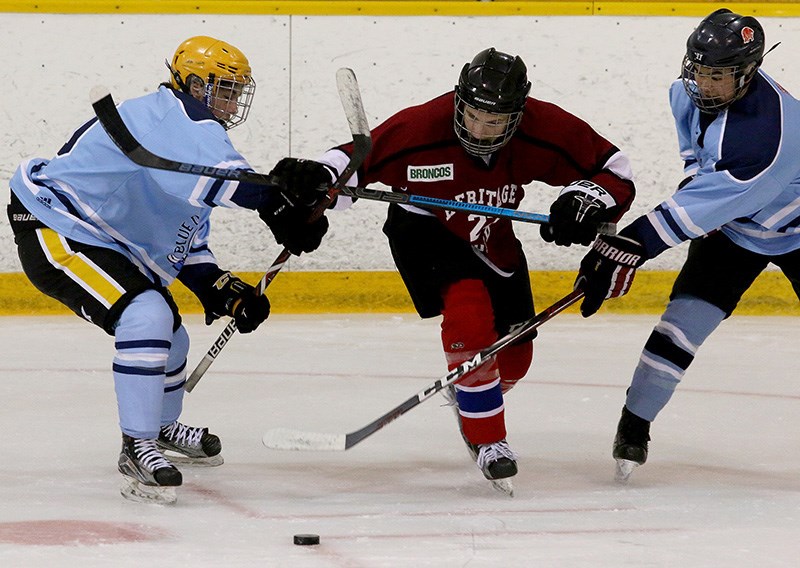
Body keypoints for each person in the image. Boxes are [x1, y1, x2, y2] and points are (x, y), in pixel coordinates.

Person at [6, 36, 333, 503]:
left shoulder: (190, 141)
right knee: (146, 316)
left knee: (172, 335)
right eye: (225, 88)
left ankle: (158, 429)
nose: (233, 99)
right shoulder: (167, 114)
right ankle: (135, 445)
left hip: (100, 237)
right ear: (195, 84)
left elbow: (186, 246)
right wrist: (278, 196)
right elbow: (235, 185)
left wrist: (227, 292)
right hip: (54, 224)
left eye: (237, 90)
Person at [315, 47, 635, 492]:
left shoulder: (544, 127)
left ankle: (472, 393)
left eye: (495, 122)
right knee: (468, 307)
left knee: (516, 356)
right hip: (423, 228)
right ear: (458, 101)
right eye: (472, 116)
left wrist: (584, 199)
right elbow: (354, 162)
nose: (481, 130)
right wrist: (315, 183)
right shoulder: (421, 126)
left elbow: (613, 170)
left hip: (492, 236)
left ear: (517, 116)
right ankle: (489, 439)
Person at [575, 9, 796, 482]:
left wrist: (633, 242)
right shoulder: (684, 92)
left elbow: (709, 202)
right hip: (736, 232)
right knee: (680, 328)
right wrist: (697, 194)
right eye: (698, 68)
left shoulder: (766, 135)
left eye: (718, 74)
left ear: (748, 72)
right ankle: (634, 426)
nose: (703, 82)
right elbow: (699, 165)